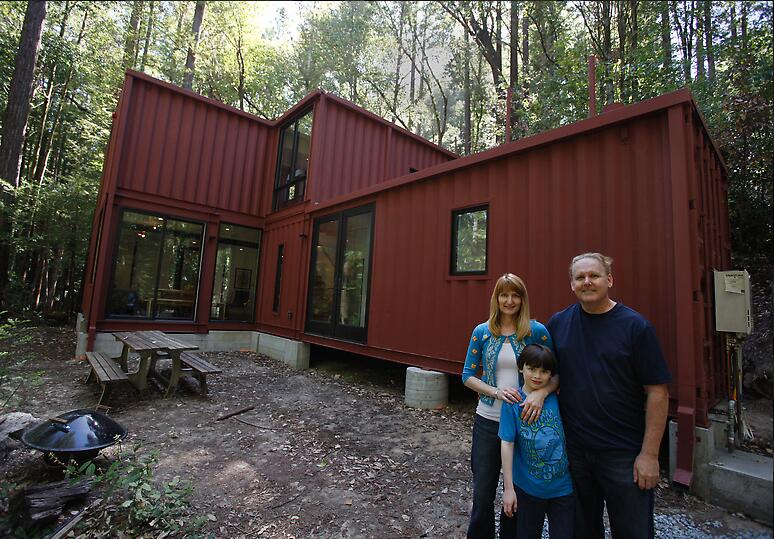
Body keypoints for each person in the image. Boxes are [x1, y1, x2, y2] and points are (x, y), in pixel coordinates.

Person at [546, 252, 671, 539]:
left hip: (624, 454)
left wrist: (649, 455)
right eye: (580, 277)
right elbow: (552, 375)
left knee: (633, 531)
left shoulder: (635, 327)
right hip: (575, 452)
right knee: (581, 530)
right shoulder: (559, 323)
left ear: (609, 280)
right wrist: (539, 395)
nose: (587, 282)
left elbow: (657, 392)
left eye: (594, 275)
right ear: (572, 285)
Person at [461, 273, 553, 538]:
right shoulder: (482, 332)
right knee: (483, 493)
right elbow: (467, 375)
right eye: (504, 295)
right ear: (496, 298)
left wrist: (541, 393)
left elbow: (556, 373)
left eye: (515, 295)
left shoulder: (536, 331)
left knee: (518, 493)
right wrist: (496, 392)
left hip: (525, 421)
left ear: (522, 299)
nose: (509, 301)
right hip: (488, 421)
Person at [500, 344, 574, 539]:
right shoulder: (513, 403)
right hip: (528, 488)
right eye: (532, 369)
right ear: (520, 367)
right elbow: (507, 444)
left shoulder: (557, 399)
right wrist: (509, 489)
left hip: (563, 487)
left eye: (544, 371)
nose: (537, 376)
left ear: (551, 374)